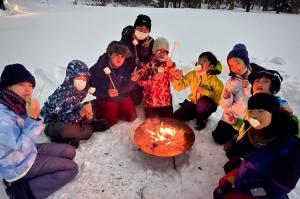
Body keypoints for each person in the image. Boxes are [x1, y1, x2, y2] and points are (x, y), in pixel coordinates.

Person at [0, 64, 78, 199]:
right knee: (71, 168)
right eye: (21, 85)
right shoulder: (2, 115)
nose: (27, 90)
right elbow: (19, 146)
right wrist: (32, 118)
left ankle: (37, 173)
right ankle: (22, 191)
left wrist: (35, 117)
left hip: (31, 151)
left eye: (30, 86)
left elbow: (36, 132)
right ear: (7, 87)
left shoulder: (17, 105)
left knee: (70, 151)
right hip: (16, 164)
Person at [213, 93, 300, 199]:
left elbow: (273, 190)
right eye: (251, 111)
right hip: (250, 174)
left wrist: (244, 189)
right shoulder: (261, 130)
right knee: (221, 188)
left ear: (273, 114)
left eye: (260, 111)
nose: (254, 115)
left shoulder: (290, 149)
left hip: (260, 192)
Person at [41, 60, 109, 148]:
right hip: (53, 122)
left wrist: (87, 112)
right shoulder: (63, 94)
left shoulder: (79, 90)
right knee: (70, 130)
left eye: (84, 78)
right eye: (78, 78)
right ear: (71, 77)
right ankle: (90, 128)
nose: (82, 81)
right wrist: (81, 113)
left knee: (90, 109)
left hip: (69, 114)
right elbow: (64, 118)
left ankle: (84, 126)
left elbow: (74, 106)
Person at [212, 43, 264, 144]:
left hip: (247, 119)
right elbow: (224, 105)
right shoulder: (231, 81)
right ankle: (234, 133)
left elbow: (259, 100)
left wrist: (249, 88)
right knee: (218, 138)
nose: (235, 67)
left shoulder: (257, 79)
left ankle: (238, 135)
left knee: (246, 142)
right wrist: (226, 97)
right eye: (231, 65)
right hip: (232, 115)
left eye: (237, 62)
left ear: (245, 61)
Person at [89, 41, 138, 126]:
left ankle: (117, 109)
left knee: (132, 117)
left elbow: (125, 89)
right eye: (116, 55)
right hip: (106, 98)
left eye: (122, 56)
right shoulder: (98, 68)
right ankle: (97, 107)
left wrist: (132, 81)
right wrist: (106, 92)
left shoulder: (125, 67)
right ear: (109, 54)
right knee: (111, 121)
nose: (119, 59)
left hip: (122, 96)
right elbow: (90, 89)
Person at [173, 51, 224, 130]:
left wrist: (206, 92)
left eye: (204, 61)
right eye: (199, 60)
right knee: (176, 116)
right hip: (194, 103)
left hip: (207, 106)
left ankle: (202, 118)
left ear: (211, 67)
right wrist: (177, 78)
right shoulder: (193, 74)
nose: (200, 62)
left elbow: (219, 98)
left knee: (202, 102)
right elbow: (179, 87)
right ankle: (194, 112)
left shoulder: (216, 82)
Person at [137, 37, 176, 118]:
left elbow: (172, 79)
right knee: (152, 126)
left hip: (165, 103)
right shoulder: (147, 64)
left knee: (168, 124)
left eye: (164, 51)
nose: (162, 53)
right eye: (159, 50)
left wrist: (172, 67)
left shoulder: (169, 64)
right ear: (154, 51)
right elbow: (140, 82)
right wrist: (153, 79)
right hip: (151, 103)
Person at [121, 14, 154, 105]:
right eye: (140, 29)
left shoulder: (150, 41)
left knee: (136, 102)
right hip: (126, 75)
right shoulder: (126, 40)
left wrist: (145, 49)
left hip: (141, 76)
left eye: (146, 30)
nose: (142, 32)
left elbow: (150, 60)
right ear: (135, 28)